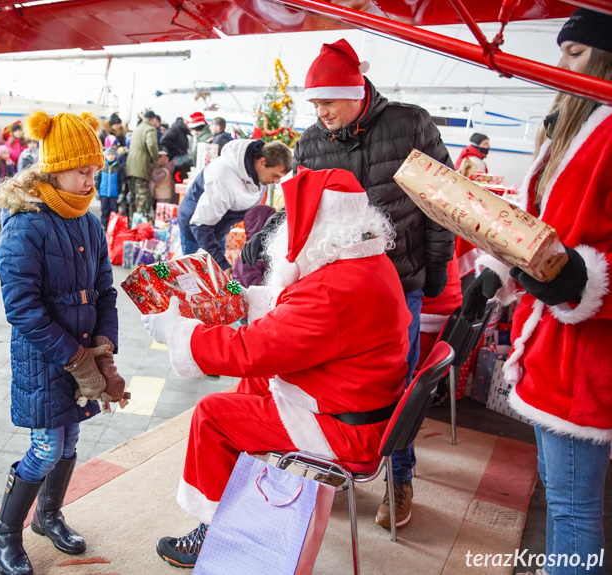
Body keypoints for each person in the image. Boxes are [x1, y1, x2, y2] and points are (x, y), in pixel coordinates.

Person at [143, 167, 410, 568]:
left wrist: (179, 332)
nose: (287, 226)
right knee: (252, 384)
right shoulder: (367, 263)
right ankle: (242, 493)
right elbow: (300, 314)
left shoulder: (332, 288)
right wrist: (246, 299)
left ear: (315, 226)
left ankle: (217, 530)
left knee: (212, 415)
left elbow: (253, 349)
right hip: (361, 405)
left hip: (343, 430)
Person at [242, 39, 455, 529]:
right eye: (314, 103)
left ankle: (398, 479)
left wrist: (437, 264)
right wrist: (264, 237)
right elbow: (300, 209)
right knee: (325, 378)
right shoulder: (311, 143)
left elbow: (443, 200)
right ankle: (325, 461)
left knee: (395, 386)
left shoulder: (410, 123)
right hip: (334, 289)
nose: (320, 113)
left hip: (397, 282)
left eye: (328, 101)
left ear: (355, 91)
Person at [461, 10, 612, 575]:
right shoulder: (565, 130)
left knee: (573, 509)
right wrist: (495, 271)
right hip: (551, 350)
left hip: (587, 362)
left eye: (575, 54)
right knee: (562, 491)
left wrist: (583, 278)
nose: (559, 66)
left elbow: (574, 254)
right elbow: (536, 228)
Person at [0, 111, 128, 575]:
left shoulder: (86, 221)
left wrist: (103, 350)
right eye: (82, 170)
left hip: (84, 350)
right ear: (54, 167)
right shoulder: (27, 223)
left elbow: (105, 288)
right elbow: (22, 307)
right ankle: (2, 533)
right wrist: (76, 357)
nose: (91, 179)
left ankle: (48, 517)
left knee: (68, 443)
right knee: (46, 447)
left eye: (94, 170)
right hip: (46, 357)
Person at [178, 139, 290, 273]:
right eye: (275, 175)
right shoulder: (223, 179)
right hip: (196, 227)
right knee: (196, 274)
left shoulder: (259, 175)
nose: (276, 181)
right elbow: (200, 225)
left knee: (216, 271)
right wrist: (222, 264)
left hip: (217, 225)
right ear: (261, 162)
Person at [125, 110, 160, 217]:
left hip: (130, 168)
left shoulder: (138, 129)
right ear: (153, 119)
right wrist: (156, 159)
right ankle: (141, 228)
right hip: (141, 169)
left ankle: (132, 225)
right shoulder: (150, 129)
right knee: (143, 199)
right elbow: (151, 144)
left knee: (133, 199)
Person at [94, 147, 126, 228]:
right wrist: (96, 190)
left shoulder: (119, 168)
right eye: (108, 154)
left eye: (112, 154)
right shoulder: (102, 167)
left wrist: (121, 193)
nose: (110, 156)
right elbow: (97, 179)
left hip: (114, 194)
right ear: (105, 156)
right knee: (104, 210)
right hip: (103, 194)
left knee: (114, 211)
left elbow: (122, 181)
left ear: (115, 156)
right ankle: (103, 226)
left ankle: (113, 226)